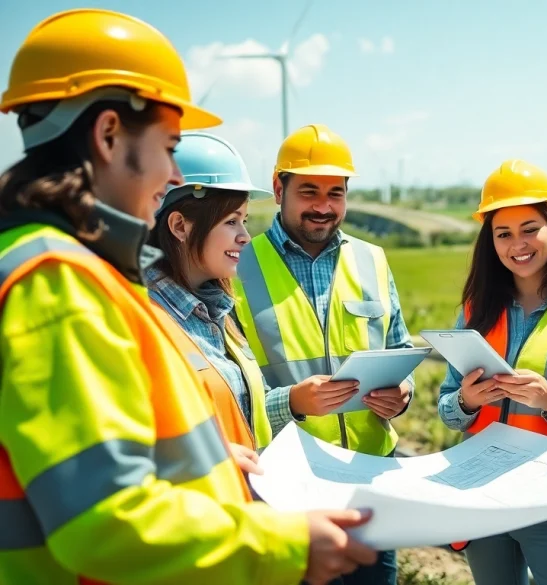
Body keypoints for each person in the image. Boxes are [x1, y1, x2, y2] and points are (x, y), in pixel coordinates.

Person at [0, 9, 377, 585]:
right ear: (107, 136)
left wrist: (202, 466)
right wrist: (283, 544)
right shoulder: (60, 283)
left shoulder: (59, 266)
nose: (172, 174)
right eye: (169, 147)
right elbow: (103, 523)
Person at [232, 123, 416, 585]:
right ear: (279, 189)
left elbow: (399, 345)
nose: (323, 206)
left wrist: (404, 393)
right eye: (309, 191)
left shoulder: (372, 259)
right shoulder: (236, 265)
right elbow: (226, 384)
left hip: (370, 479)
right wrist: (292, 402)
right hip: (284, 487)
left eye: (336, 193)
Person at [436, 159, 547, 585]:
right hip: (482, 494)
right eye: (502, 234)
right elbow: (447, 409)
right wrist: (468, 401)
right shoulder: (474, 309)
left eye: (529, 228)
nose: (517, 244)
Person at [147, 131, 349, 465]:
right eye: (231, 222)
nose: (244, 236)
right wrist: (208, 460)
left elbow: (245, 413)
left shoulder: (218, 316)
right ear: (180, 226)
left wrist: (295, 401)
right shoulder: (142, 320)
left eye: (243, 220)